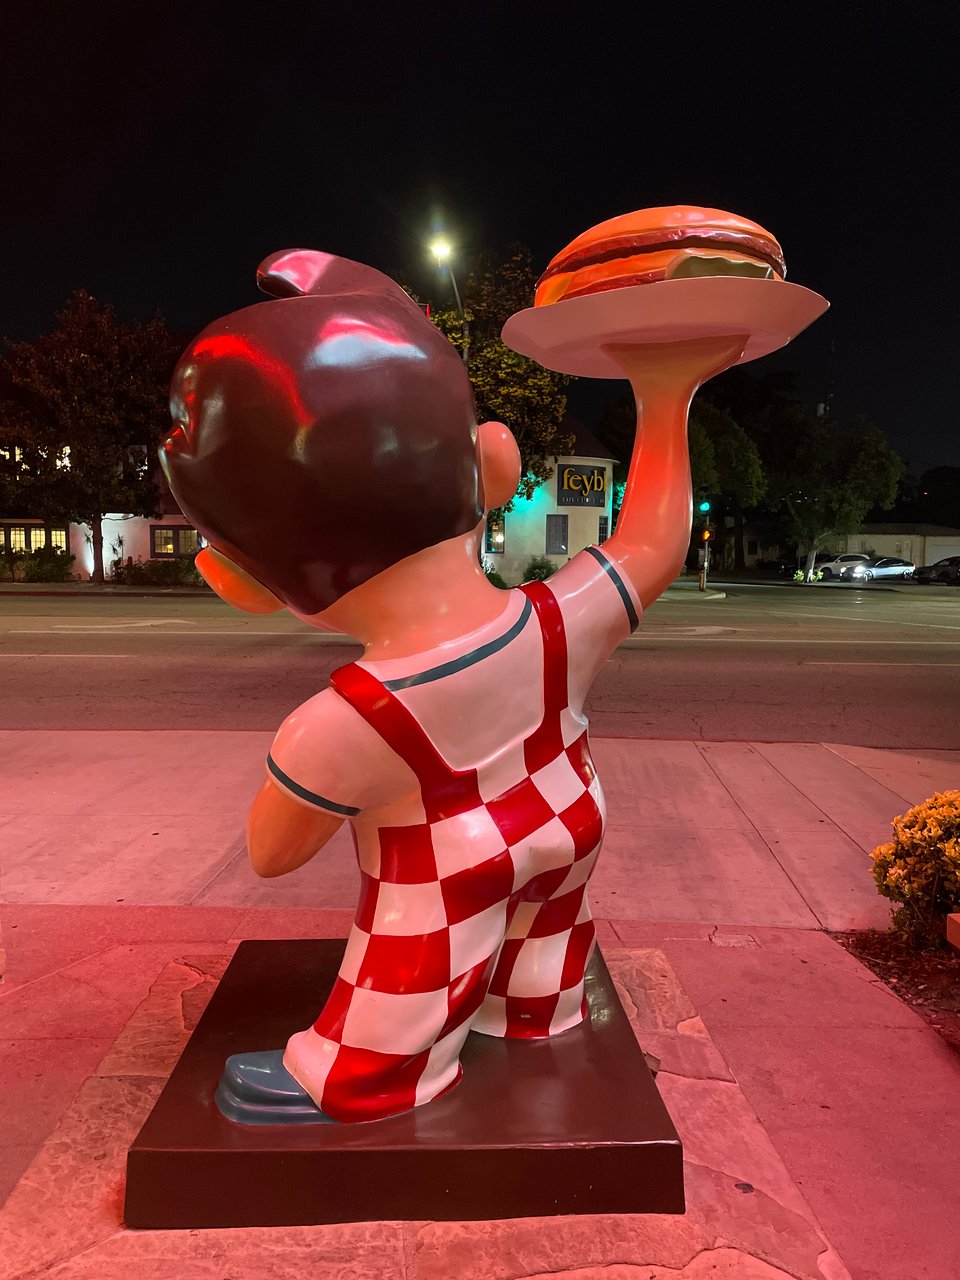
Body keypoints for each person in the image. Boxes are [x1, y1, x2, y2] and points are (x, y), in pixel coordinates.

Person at [162, 249, 740, 1123]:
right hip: (569, 823)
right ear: (494, 466)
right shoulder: (558, 619)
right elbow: (652, 546)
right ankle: (532, 1011)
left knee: (410, 964)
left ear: (239, 580)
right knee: (539, 952)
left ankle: (369, 1074)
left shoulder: (341, 723)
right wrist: (666, 393)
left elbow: (271, 855)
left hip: (447, 871)